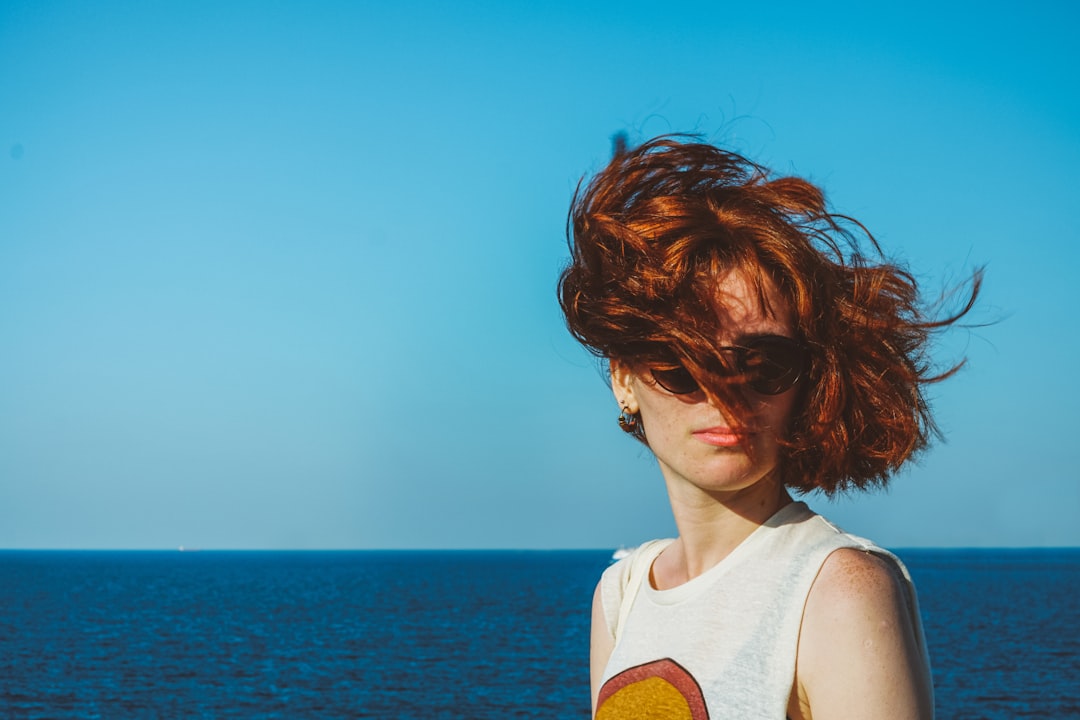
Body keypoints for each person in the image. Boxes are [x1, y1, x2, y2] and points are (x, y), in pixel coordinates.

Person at [558, 135, 980, 720]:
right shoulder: (622, 595)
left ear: (809, 380)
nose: (725, 394)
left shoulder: (836, 590)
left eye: (764, 364)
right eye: (681, 363)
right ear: (624, 380)